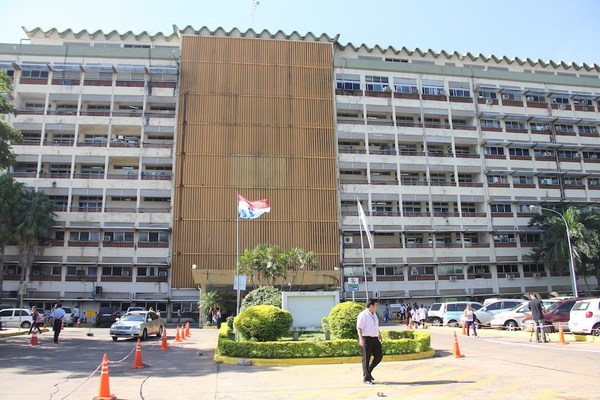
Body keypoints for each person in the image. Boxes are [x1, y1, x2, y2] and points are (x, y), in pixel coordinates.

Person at [356, 298, 383, 385]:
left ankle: (369, 371)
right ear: (371, 306)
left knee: (379, 356)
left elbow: (375, 326)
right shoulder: (363, 315)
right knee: (366, 359)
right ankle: (366, 378)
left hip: (375, 338)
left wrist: (379, 334)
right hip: (366, 338)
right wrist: (361, 338)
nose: (377, 307)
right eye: (376, 305)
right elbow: (359, 328)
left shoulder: (374, 314)